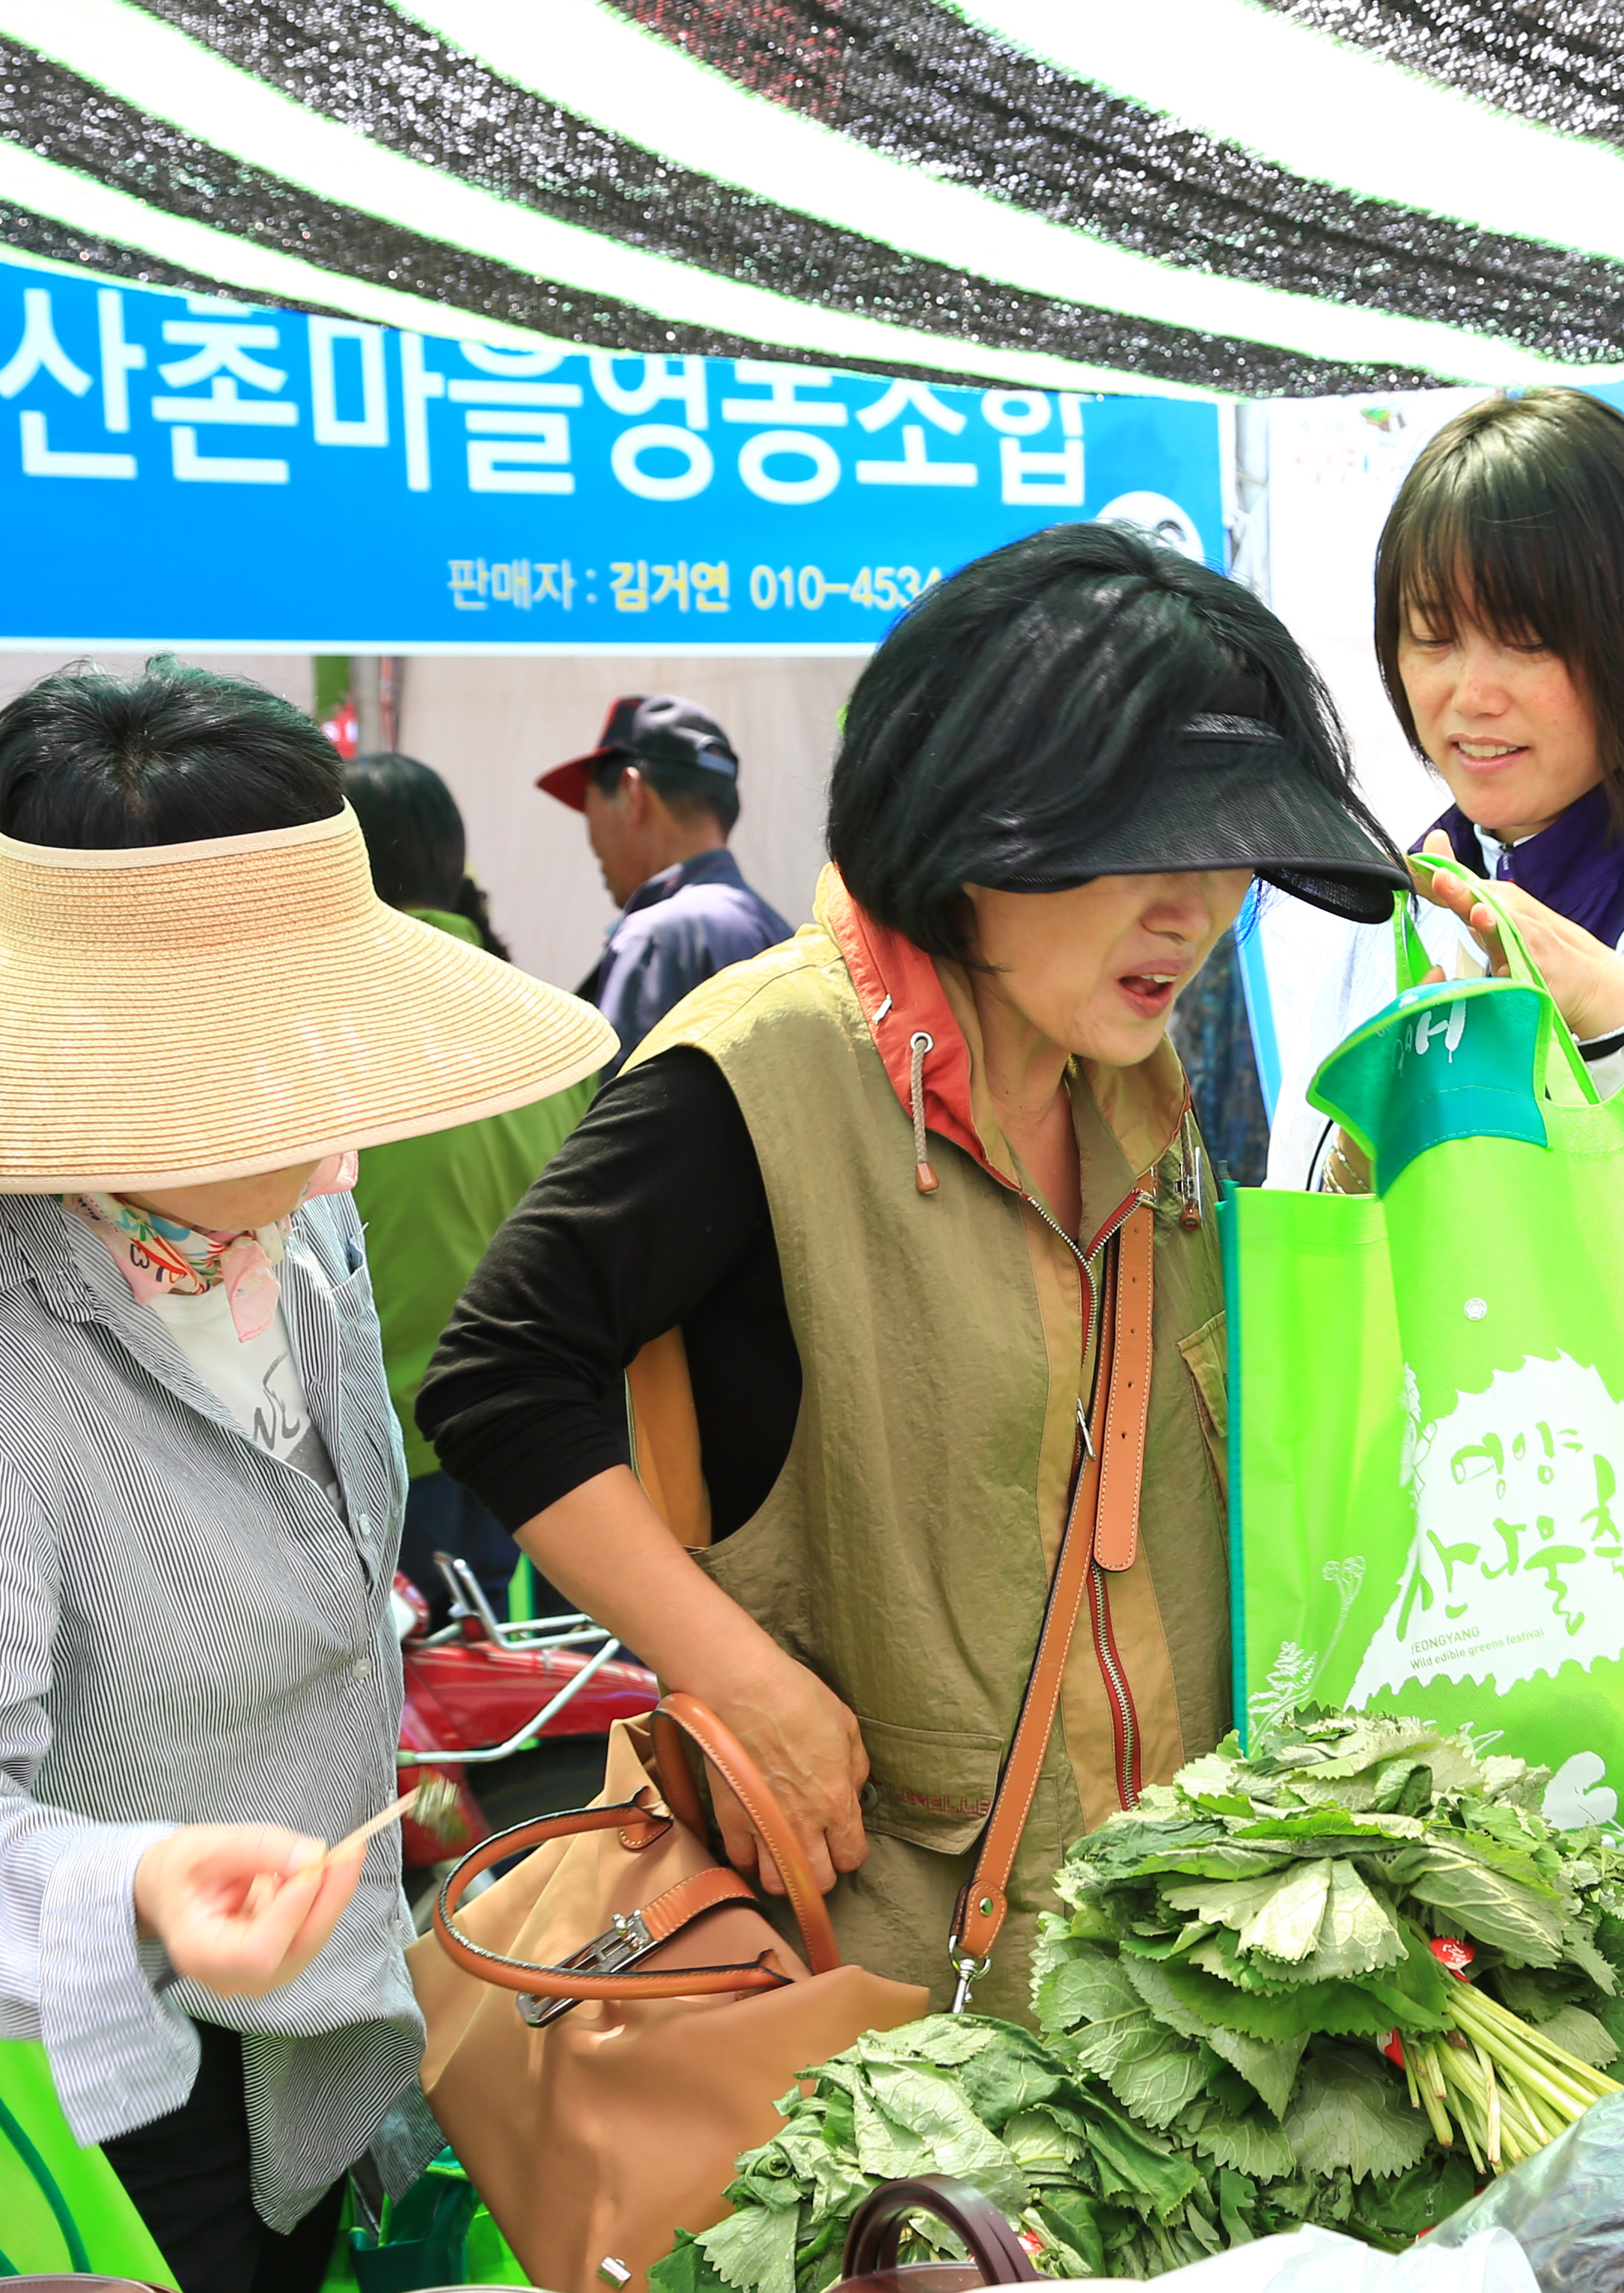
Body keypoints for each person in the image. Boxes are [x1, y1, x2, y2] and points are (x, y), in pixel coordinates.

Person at [427, 525, 1402, 2012]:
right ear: (977, 823)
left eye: (1226, 853)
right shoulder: (764, 1063)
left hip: (1169, 1967)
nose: (1195, 909)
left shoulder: (1130, 1083)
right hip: (887, 2006)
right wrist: (733, 1673)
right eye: (1144, 845)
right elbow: (498, 1371)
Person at [0, 665, 614, 2293]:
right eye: (263, 1061)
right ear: (96, 1061)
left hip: (320, 2036)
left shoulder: (293, 1211)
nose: (333, 1127)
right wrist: (143, 1879)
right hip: (101, 2092)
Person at [1254, 388, 1624, 1206]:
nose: (1472, 693)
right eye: (1433, 636)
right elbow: (1307, 1210)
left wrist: (1611, 1004)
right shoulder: (1393, 914)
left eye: (1527, 640)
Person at [337, 748, 598, 1602]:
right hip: (558, 1441)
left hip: (397, 1446)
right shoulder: (558, 1026)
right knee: (552, 1699)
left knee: (424, 1718)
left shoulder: (321, 1040)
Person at [541, 693, 790, 1057]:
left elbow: (623, 1107)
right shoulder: (780, 933)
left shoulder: (652, 939)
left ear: (631, 792)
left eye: (587, 803)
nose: (589, 833)